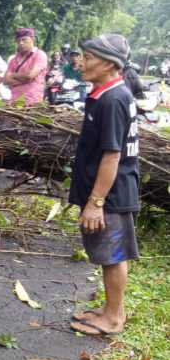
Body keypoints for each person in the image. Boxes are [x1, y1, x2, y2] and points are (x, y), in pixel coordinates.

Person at [68, 34, 139, 337]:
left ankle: (112, 319)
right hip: (108, 191)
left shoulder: (112, 100)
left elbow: (112, 155)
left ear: (110, 64)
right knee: (108, 253)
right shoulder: (105, 93)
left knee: (112, 256)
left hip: (111, 194)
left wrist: (96, 202)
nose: (81, 62)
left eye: (88, 57)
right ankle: (112, 310)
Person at [3, 28, 48, 105]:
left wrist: (13, 75)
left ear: (32, 39)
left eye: (24, 40)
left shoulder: (40, 55)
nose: (21, 43)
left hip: (32, 102)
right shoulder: (13, 59)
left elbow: (30, 75)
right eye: (18, 41)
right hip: (14, 101)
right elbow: (6, 80)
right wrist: (26, 80)